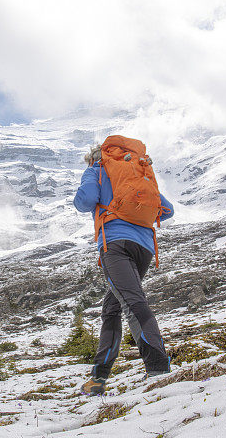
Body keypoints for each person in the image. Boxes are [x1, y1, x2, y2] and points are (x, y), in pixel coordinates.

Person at [73, 141, 175, 395]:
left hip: (115, 244)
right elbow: (167, 210)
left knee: (131, 302)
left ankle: (158, 368)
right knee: (112, 307)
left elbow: (85, 201)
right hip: (144, 248)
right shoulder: (136, 173)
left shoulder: (97, 170)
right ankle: (98, 378)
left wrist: (89, 189)